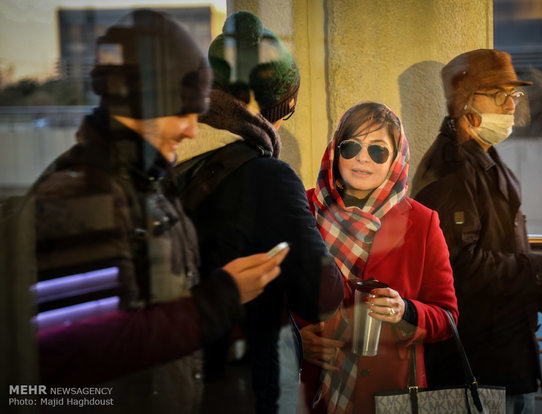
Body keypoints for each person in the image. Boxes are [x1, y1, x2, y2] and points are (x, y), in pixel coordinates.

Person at [18, 9, 288, 413]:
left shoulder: (144, 183)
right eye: (181, 111)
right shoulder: (82, 197)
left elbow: (149, 309)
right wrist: (221, 297)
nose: (192, 129)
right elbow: (79, 352)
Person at [410, 49, 542, 414]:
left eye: (514, 94)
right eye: (498, 93)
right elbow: (463, 268)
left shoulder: (480, 155)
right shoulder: (453, 170)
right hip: (478, 369)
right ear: (465, 101)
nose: (510, 104)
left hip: (502, 358)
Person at [174, 11, 344, 414]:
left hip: (177, 375)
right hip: (240, 385)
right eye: (290, 109)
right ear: (277, 110)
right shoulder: (267, 176)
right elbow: (321, 295)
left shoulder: (176, 158)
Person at [298, 102, 458, 414]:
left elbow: (448, 317)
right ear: (335, 151)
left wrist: (406, 310)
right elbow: (270, 302)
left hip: (389, 396)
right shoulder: (302, 209)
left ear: (396, 160)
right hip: (310, 391)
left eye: (378, 150)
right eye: (351, 146)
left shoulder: (423, 222)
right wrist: (296, 341)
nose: (361, 158)